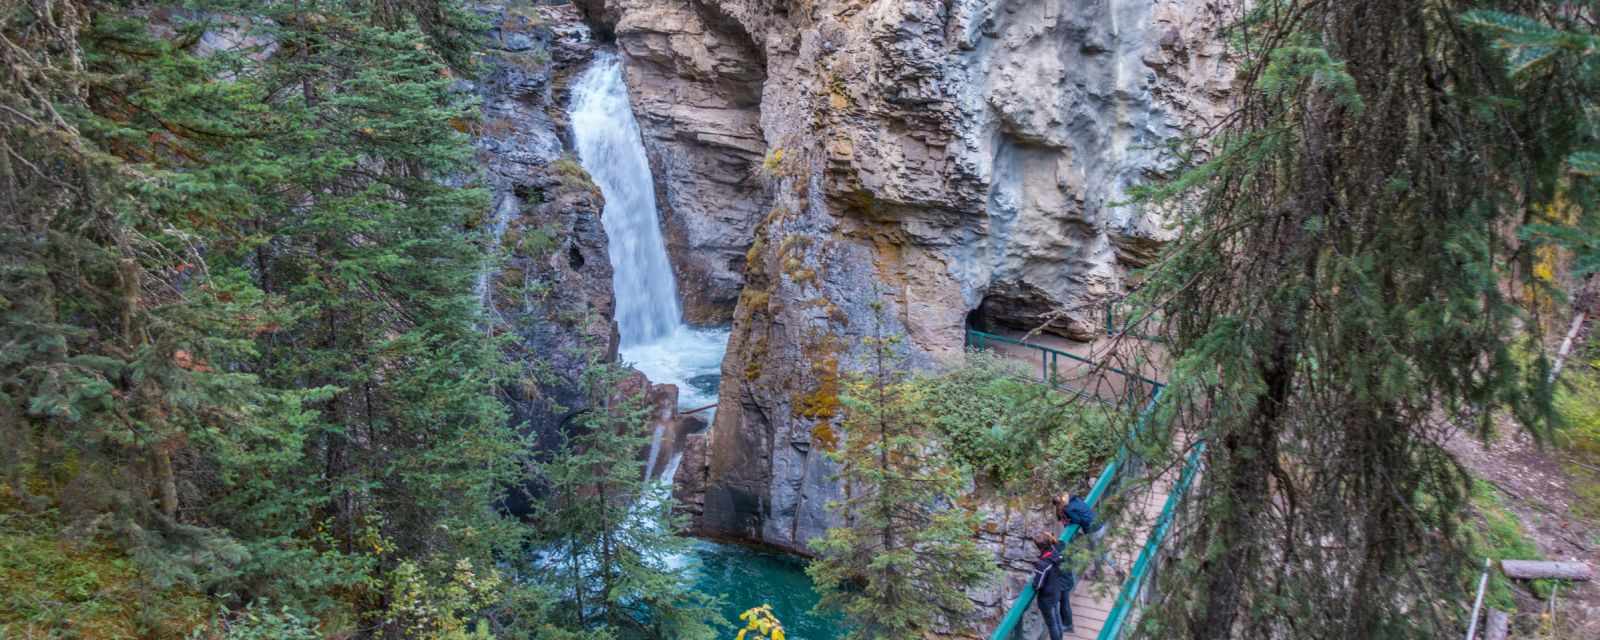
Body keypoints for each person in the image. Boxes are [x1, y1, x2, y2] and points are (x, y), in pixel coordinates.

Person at [1030, 531, 1075, 638]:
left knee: (1051, 624)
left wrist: (1034, 581)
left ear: (1039, 547)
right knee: (1057, 620)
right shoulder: (1056, 554)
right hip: (1056, 591)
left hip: (1047, 598)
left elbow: (1037, 585)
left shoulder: (1043, 564)